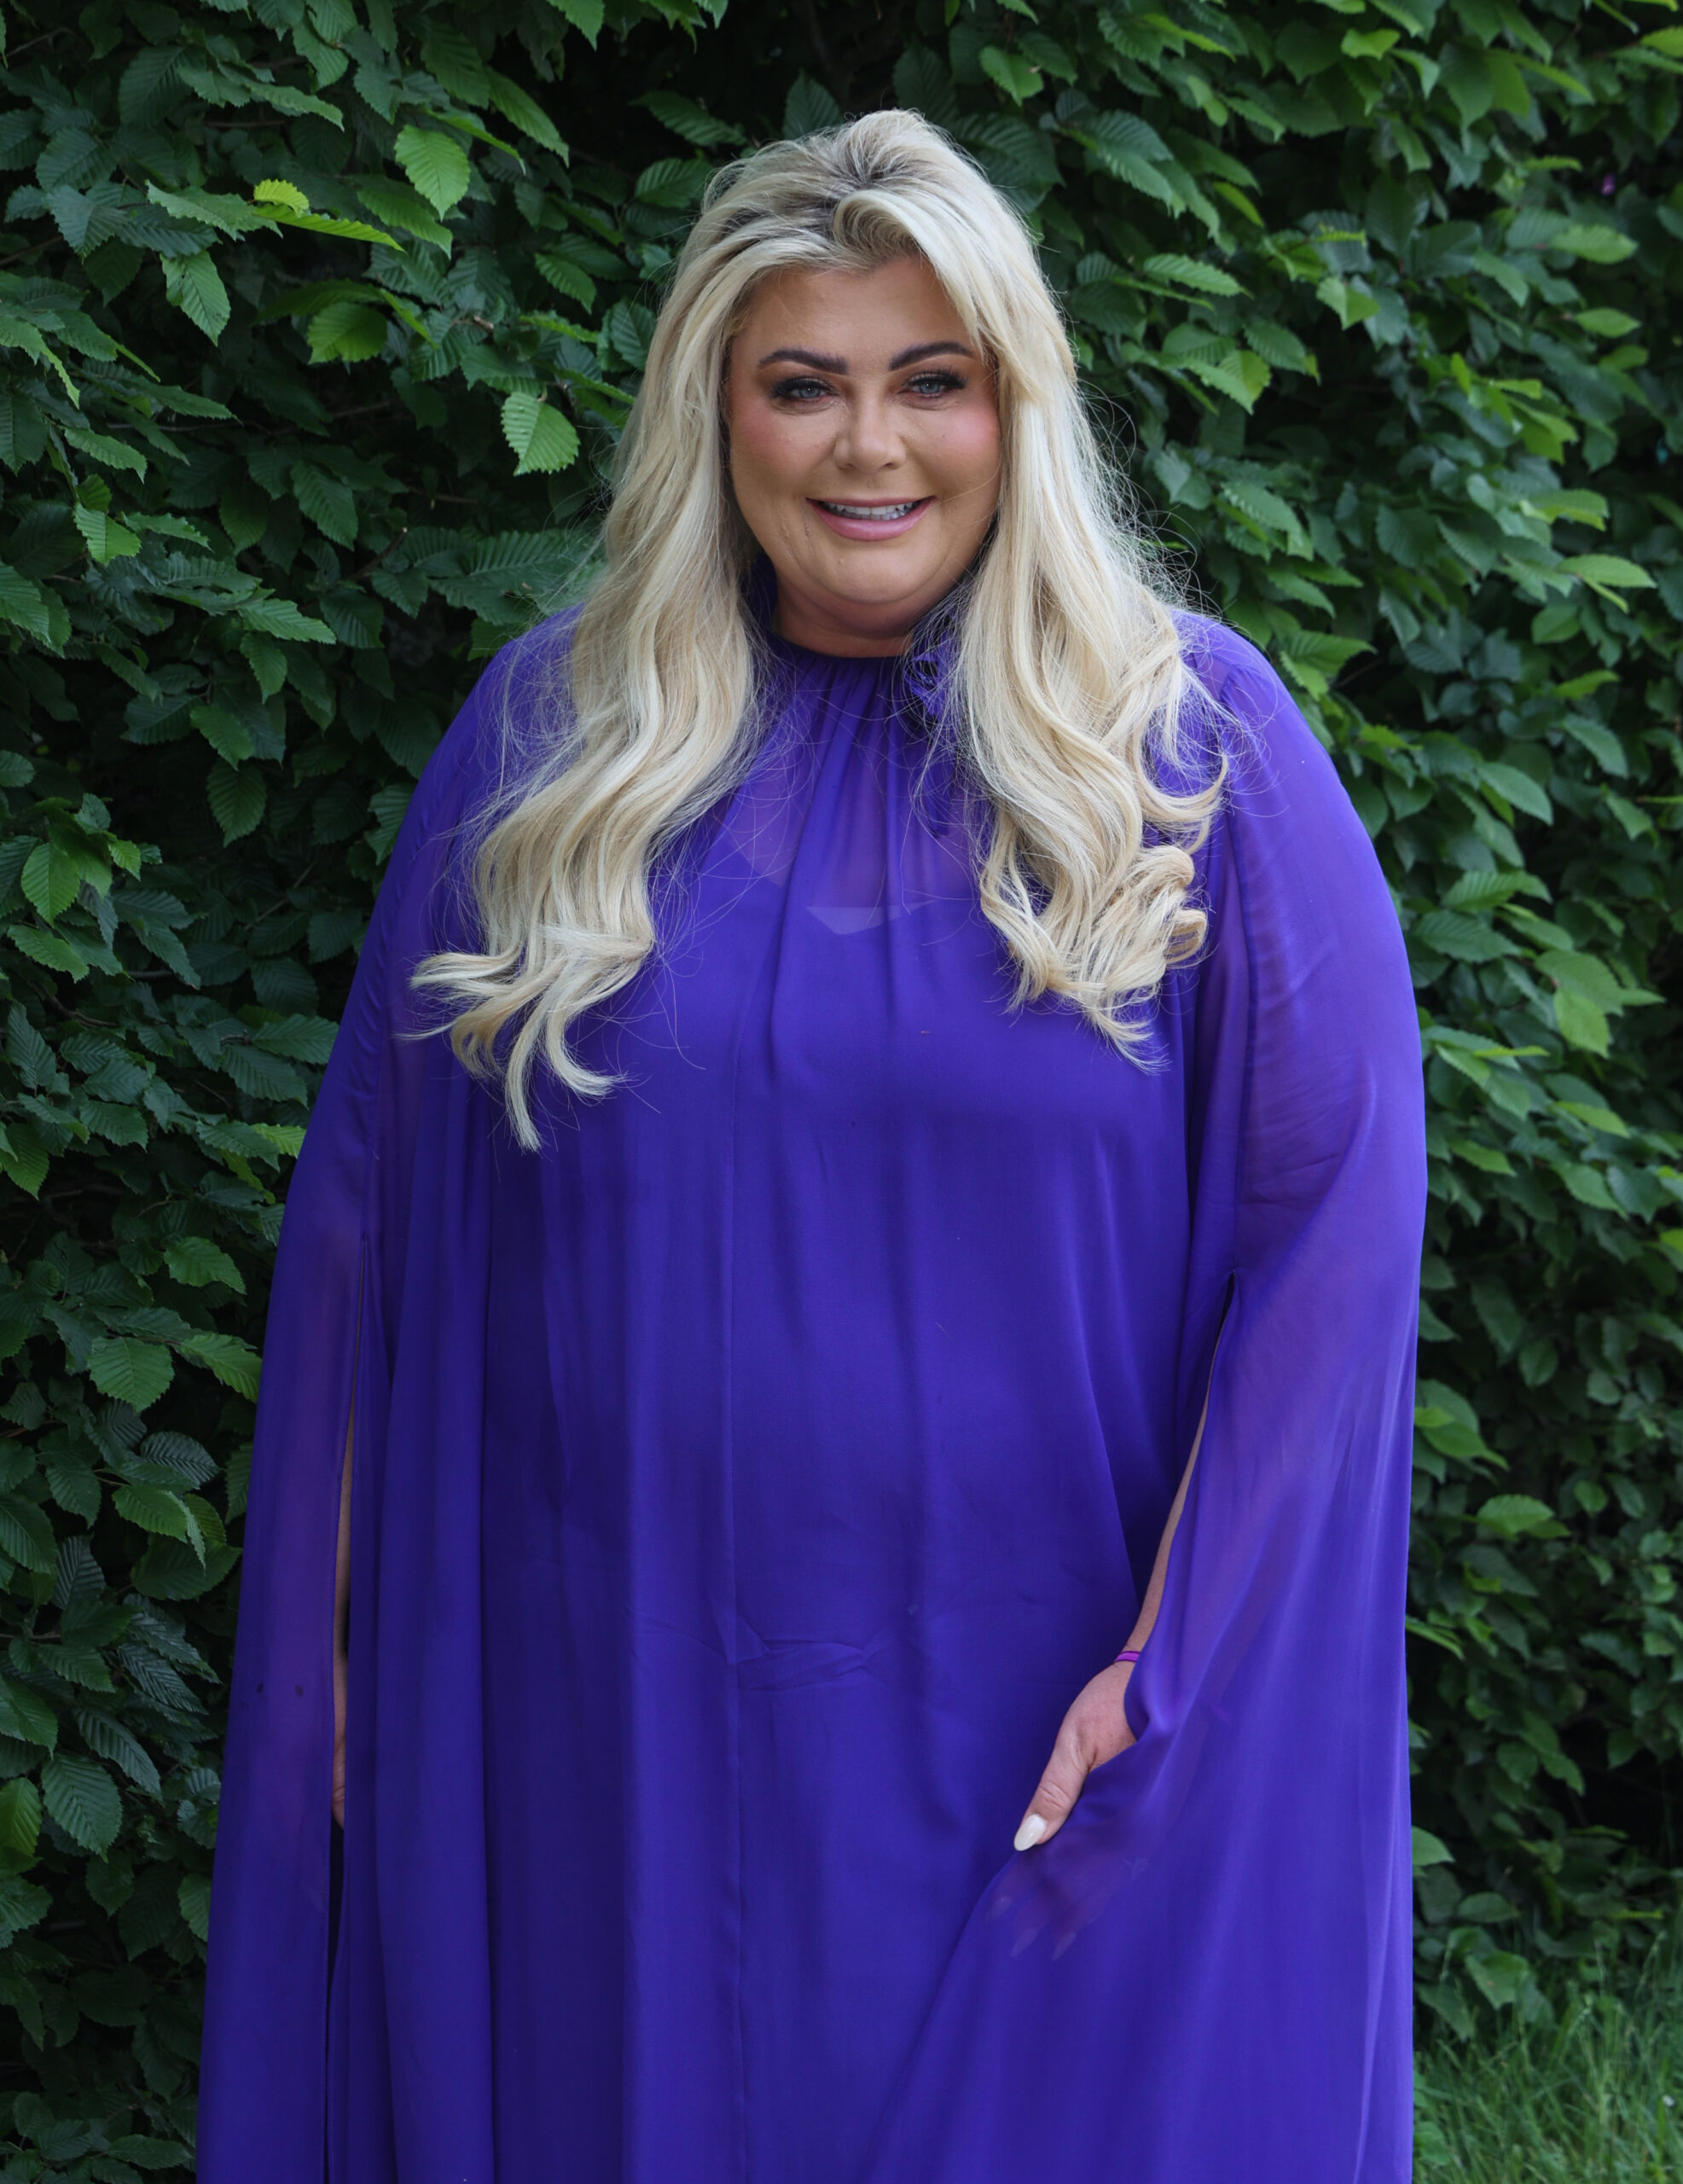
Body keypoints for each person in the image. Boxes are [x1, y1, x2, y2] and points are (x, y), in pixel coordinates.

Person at [200, 109, 1425, 2184]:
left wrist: (1174, 1663)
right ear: (720, 412)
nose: (871, 447)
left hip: (1027, 1702)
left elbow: (1329, 1244)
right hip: (608, 1702)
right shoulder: (546, 750)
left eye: (929, 379)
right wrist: (338, 1688)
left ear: (1011, 404)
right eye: (806, 383)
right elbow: (373, 1235)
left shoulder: (1189, 755)